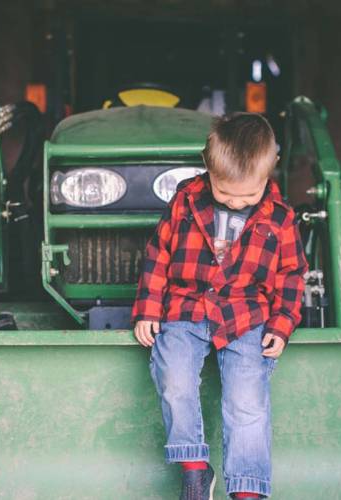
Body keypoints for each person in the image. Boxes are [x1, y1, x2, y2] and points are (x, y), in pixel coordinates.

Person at [132, 113, 308, 500]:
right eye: (226, 193)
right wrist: (149, 308)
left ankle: (247, 490)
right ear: (207, 168)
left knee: (246, 403)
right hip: (186, 308)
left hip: (246, 317)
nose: (236, 201)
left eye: (248, 196)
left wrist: (281, 325)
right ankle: (195, 470)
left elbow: (292, 275)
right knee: (173, 378)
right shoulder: (186, 198)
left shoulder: (280, 217)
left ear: (269, 173)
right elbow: (159, 253)